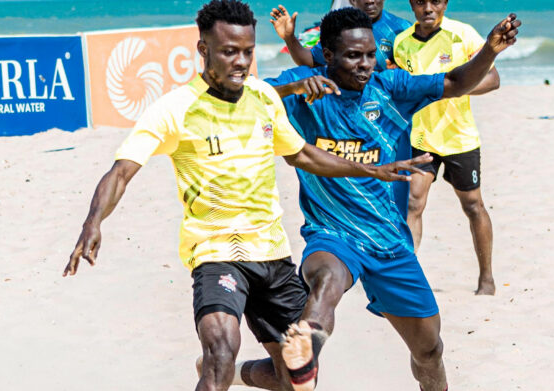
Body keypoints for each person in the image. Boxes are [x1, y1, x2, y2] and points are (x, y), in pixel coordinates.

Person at [61, 2, 432, 391]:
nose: (241, 62)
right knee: (222, 353)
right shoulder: (175, 109)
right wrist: (93, 222)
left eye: (248, 51)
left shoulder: (263, 97)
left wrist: (373, 170)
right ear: (203, 50)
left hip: (272, 253)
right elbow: (121, 171)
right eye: (229, 51)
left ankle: (240, 375)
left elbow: (302, 154)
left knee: (298, 379)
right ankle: (223, 370)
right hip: (216, 251)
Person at [222, 7, 520, 391]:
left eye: (368, 55)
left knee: (429, 350)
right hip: (332, 234)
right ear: (327, 55)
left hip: (390, 242)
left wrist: (490, 52)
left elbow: (456, 81)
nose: (364, 65)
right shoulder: (304, 88)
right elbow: (240, 97)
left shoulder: (391, 88)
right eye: (352, 56)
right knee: (326, 280)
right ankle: (303, 352)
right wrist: (291, 90)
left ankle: (239, 372)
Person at [393, 0, 499, 295]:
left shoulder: (463, 35)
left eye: (435, 1)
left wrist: (450, 88)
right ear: (412, 4)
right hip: (420, 136)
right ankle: (408, 279)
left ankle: (486, 278)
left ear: (445, 3)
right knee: (413, 203)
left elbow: (493, 79)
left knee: (473, 206)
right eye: (420, 1)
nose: (428, 7)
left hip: (458, 137)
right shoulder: (402, 43)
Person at [270, 0, 411, 72]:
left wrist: (402, 73)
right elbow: (311, 60)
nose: (370, 1)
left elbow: (421, 72)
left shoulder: (403, 29)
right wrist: (289, 38)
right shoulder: (338, 28)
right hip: (347, 109)